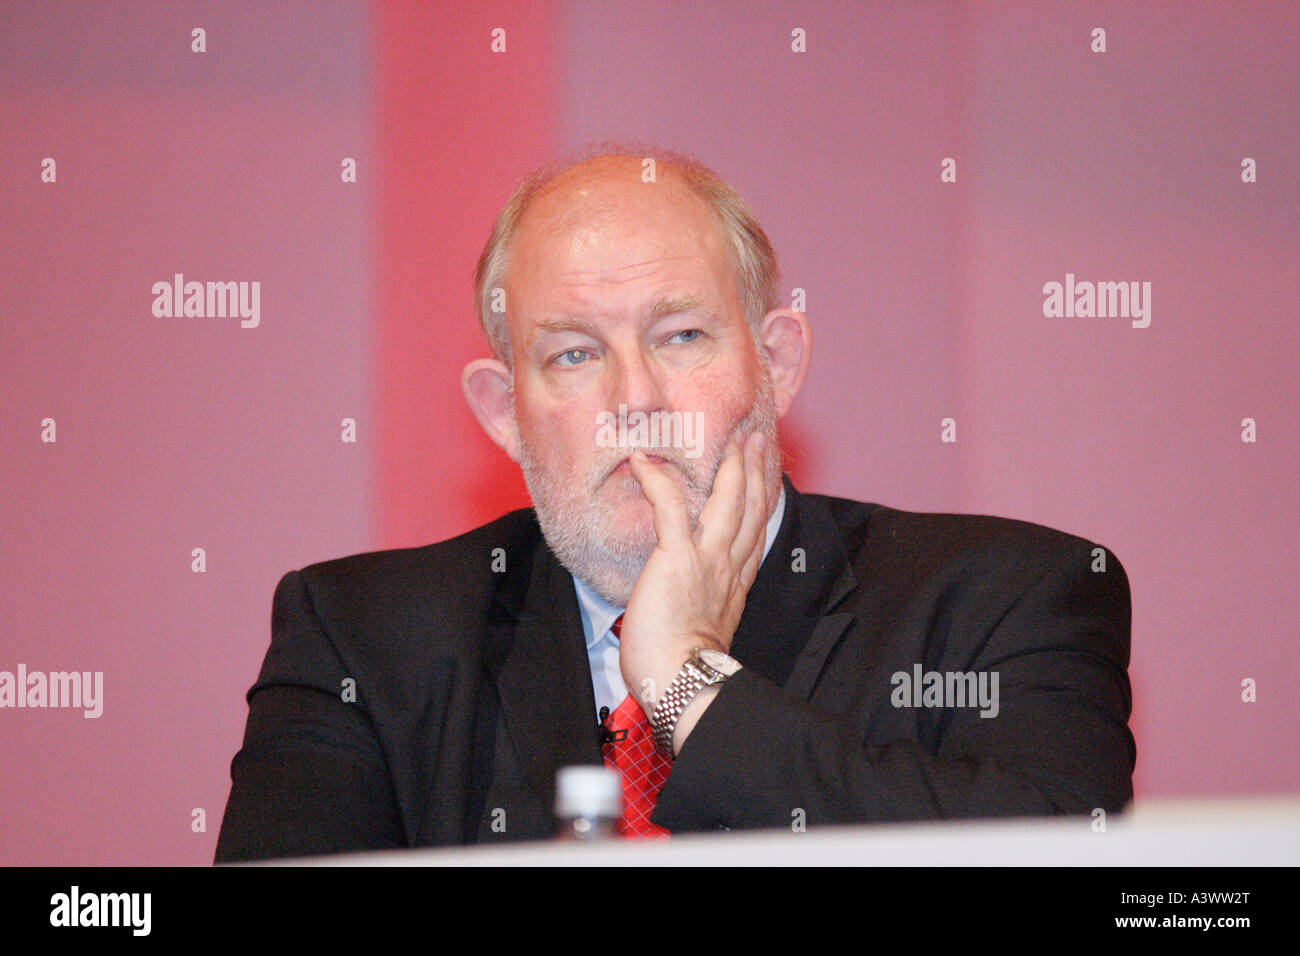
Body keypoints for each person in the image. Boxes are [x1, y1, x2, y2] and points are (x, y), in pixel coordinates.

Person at [214, 144, 1135, 862]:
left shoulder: (1008, 597)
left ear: (774, 366)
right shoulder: (360, 637)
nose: (634, 400)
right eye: (573, 353)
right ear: (505, 414)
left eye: (682, 334)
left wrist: (686, 678)